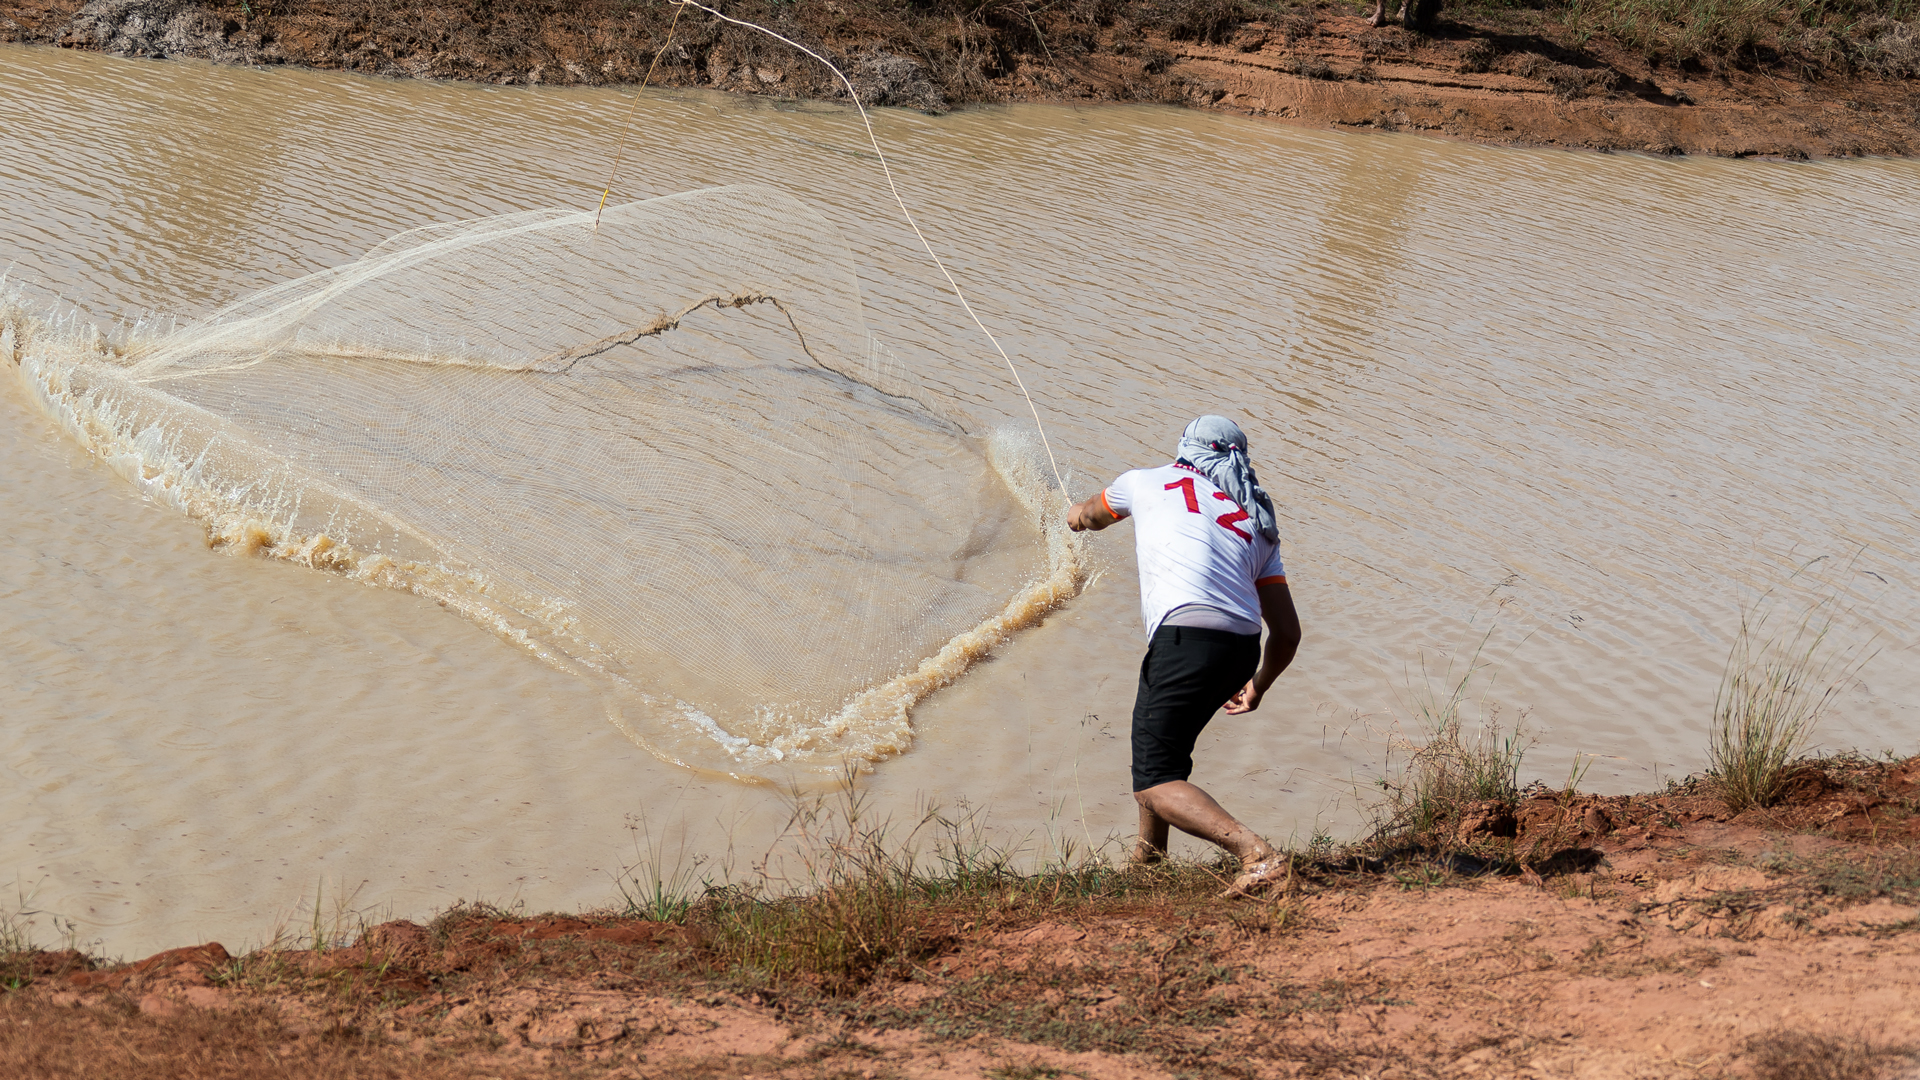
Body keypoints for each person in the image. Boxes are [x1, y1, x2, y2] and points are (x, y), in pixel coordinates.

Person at [1066, 415, 1301, 894]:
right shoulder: (1254, 524)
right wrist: (1257, 685)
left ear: (1184, 451)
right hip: (1239, 648)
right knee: (1161, 758)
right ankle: (1148, 863)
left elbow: (1091, 514)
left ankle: (1257, 856)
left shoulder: (1145, 481)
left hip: (1184, 639)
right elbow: (1288, 634)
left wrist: (1072, 517)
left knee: (1152, 781)